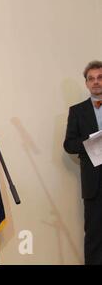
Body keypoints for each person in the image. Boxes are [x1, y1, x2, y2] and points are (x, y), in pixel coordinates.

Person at [64, 60, 102, 265]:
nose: (96, 82)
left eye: (100, 78)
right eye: (91, 79)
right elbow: (69, 144)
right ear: (86, 83)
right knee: (94, 235)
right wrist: (91, 142)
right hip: (93, 184)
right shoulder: (77, 111)